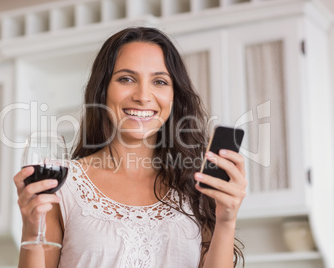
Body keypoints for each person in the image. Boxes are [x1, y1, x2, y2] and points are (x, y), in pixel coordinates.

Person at [14, 27, 247, 267]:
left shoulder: (195, 186)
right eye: (126, 78)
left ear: (174, 96)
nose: (143, 96)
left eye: (159, 81)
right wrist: (32, 231)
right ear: (102, 90)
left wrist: (226, 221)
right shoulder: (63, 186)